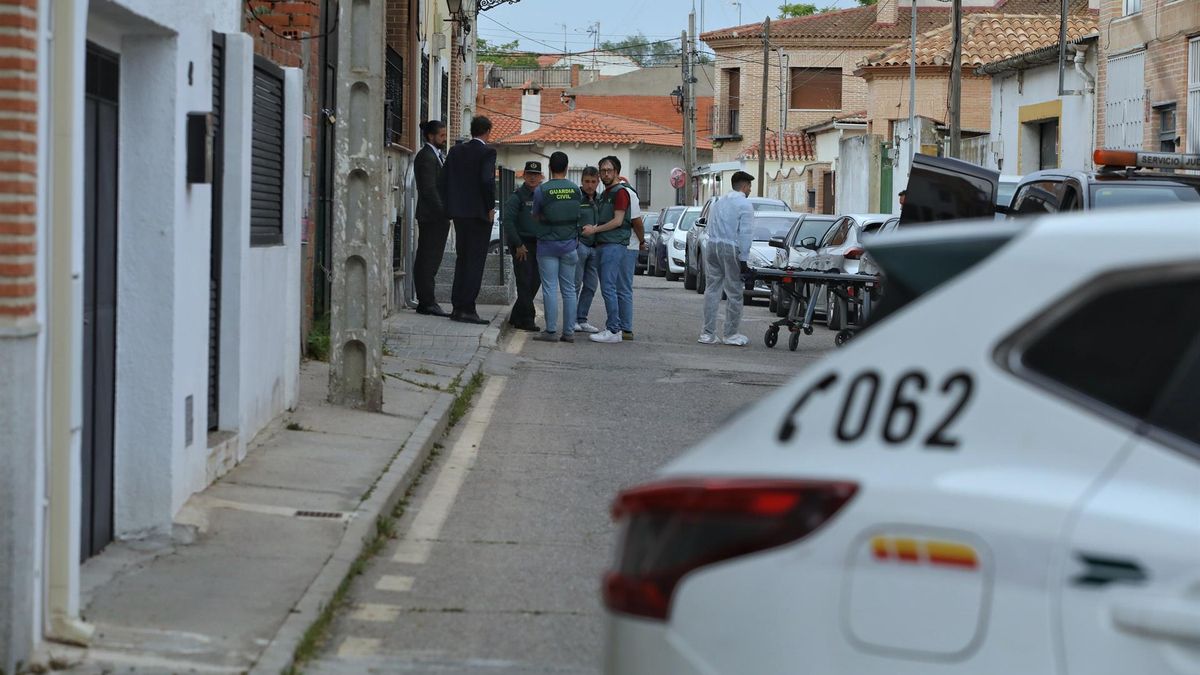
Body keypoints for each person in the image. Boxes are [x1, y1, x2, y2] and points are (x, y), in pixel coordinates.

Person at [439, 116, 495, 325]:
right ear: (487, 132)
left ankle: (457, 306)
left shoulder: (456, 151)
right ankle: (468, 308)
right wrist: (490, 207)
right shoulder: (487, 152)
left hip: (459, 214)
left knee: (462, 259)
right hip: (479, 214)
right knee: (475, 261)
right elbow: (486, 181)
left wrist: (451, 205)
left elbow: (443, 180)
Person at [530, 151, 582, 342]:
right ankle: (568, 332)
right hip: (570, 245)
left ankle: (551, 331)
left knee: (550, 288)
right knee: (569, 289)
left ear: (550, 168)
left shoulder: (542, 190)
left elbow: (535, 214)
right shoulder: (576, 190)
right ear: (567, 168)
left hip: (547, 245)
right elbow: (578, 214)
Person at [699, 171, 755, 346]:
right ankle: (730, 334)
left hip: (712, 246)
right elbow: (745, 233)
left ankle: (707, 334)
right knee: (734, 292)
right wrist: (744, 259)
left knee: (712, 289)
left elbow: (710, 226)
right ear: (745, 186)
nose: (750, 190)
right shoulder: (745, 205)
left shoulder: (718, 202)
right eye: (750, 187)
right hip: (730, 248)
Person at [581, 156, 632, 344]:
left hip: (613, 245)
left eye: (609, 170)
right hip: (604, 244)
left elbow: (618, 221)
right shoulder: (606, 193)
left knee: (609, 288)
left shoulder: (620, 193)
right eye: (602, 170)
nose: (605, 174)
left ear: (617, 172)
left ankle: (614, 329)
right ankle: (614, 327)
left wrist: (594, 229)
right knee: (608, 288)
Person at [413, 120, 450, 316]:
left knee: (433, 259)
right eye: (441, 136)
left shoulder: (436, 155)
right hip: (432, 216)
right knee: (428, 258)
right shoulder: (426, 157)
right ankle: (426, 301)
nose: (444, 139)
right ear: (431, 136)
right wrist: (443, 211)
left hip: (437, 216)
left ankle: (427, 300)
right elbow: (429, 189)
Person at [502, 161, 543, 331]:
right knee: (525, 282)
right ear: (524, 176)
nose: (532, 177)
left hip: (539, 244)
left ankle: (516, 316)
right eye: (529, 174)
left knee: (535, 282)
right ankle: (527, 319)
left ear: (540, 177)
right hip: (522, 245)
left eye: (536, 174)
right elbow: (508, 221)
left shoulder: (543, 195)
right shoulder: (517, 196)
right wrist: (518, 244)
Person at [615, 173, 645, 341]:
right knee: (618, 287)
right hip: (624, 244)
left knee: (623, 287)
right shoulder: (621, 192)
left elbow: (637, 222)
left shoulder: (627, 194)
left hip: (627, 245)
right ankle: (619, 325)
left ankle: (625, 327)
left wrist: (641, 241)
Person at [573, 167, 601, 334]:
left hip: (595, 248)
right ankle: (572, 320)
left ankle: (582, 319)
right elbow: (570, 218)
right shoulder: (577, 198)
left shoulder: (601, 199)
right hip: (580, 246)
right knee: (575, 285)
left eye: (593, 182)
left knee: (591, 285)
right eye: (587, 181)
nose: (590, 185)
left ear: (597, 182)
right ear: (582, 181)